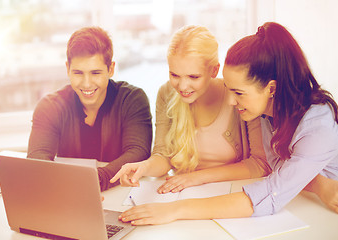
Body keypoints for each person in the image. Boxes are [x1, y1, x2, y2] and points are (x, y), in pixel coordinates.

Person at [116, 22, 338, 225]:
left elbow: (268, 195)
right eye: (229, 90)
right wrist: (319, 184)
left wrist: (175, 210)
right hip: (317, 204)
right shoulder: (268, 113)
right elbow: (283, 170)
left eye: (238, 93)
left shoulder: (317, 127)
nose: (230, 101)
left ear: (271, 88)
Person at [111, 25, 267, 194]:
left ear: (214, 70)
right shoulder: (166, 93)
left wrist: (197, 178)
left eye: (194, 76)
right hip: (184, 193)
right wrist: (143, 167)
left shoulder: (238, 95)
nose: (182, 86)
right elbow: (163, 156)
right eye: (175, 75)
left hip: (232, 194)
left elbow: (260, 164)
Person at [27, 26, 152, 191]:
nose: (86, 83)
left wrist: (93, 182)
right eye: (78, 73)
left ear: (111, 69)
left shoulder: (132, 99)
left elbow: (138, 152)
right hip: (68, 193)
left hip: (121, 192)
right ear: (67, 69)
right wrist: (71, 187)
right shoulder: (50, 106)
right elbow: (38, 158)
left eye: (95, 73)